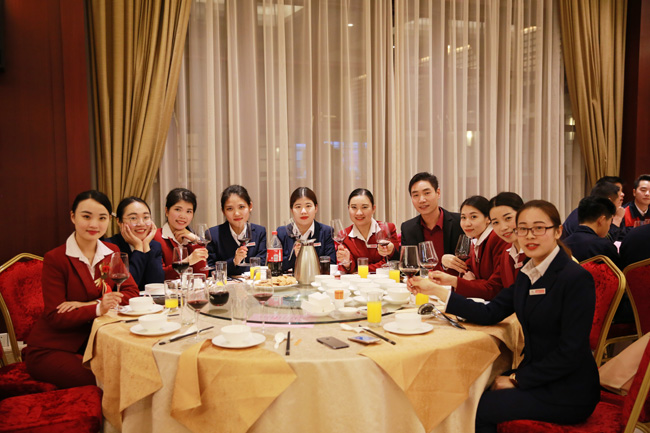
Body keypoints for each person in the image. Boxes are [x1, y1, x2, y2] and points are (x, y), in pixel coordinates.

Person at [409, 200, 599, 433]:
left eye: (539, 228)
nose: (530, 236)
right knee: (464, 390)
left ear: (558, 231)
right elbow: (490, 312)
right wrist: (437, 291)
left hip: (568, 390)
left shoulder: (574, 278)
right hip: (540, 376)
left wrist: (518, 379)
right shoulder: (529, 272)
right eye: (523, 229)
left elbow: (571, 351)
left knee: (476, 408)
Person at [24, 191, 140, 389]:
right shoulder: (56, 259)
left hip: (96, 342)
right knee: (108, 382)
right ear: (73, 217)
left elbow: (131, 293)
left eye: (102, 218)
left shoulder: (111, 252)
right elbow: (55, 315)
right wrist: (98, 308)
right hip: (53, 348)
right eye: (86, 216)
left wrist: (92, 304)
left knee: (135, 370)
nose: (94, 224)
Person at [428, 196, 509, 300]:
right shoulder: (476, 240)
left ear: (488, 218)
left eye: (473, 217)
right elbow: (464, 271)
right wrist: (445, 265)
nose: (467, 223)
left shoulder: (497, 238)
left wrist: (471, 282)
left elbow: (494, 289)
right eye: (463, 218)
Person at [400, 172, 462, 269]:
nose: (421, 200)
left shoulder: (460, 222)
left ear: (438, 193)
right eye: (416, 195)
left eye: (427, 193)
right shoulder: (408, 228)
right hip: (423, 278)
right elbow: (407, 265)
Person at [105, 197, 164, 291]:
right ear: (119, 221)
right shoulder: (110, 246)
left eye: (146, 217)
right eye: (133, 218)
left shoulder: (154, 246)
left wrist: (146, 246)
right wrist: (138, 248)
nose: (141, 223)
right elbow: (125, 286)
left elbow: (157, 284)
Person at [207, 185, 267, 276]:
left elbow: (260, 265)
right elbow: (210, 270)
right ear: (223, 211)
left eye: (241, 207)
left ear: (250, 206)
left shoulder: (259, 232)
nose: (237, 213)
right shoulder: (213, 234)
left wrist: (230, 267)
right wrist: (234, 261)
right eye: (230, 209)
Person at [336, 188, 399, 273]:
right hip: (358, 280)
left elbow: (392, 262)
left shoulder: (387, 229)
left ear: (373, 208)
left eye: (364, 207)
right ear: (348, 208)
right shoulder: (344, 235)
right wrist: (347, 263)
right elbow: (349, 266)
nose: (359, 213)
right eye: (354, 207)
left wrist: (359, 270)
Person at [276, 187, 336, 272]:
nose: (303, 211)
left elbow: (331, 264)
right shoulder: (282, 232)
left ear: (316, 208)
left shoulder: (326, 231)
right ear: (292, 210)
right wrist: (294, 256)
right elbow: (275, 266)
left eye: (308, 206)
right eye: (298, 207)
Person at [154, 188, 209, 279]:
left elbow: (202, 274)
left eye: (188, 211)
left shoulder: (191, 237)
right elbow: (159, 276)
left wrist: (196, 240)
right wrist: (188, 261)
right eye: (178, 209)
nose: (183, 216)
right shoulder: (156, 237)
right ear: (167, 211)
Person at [563, 196, 620, 268]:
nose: (609, 226)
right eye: (610, 221)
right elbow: (618, 273)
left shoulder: (563, 245)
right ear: (601, 220)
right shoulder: (605, 247)